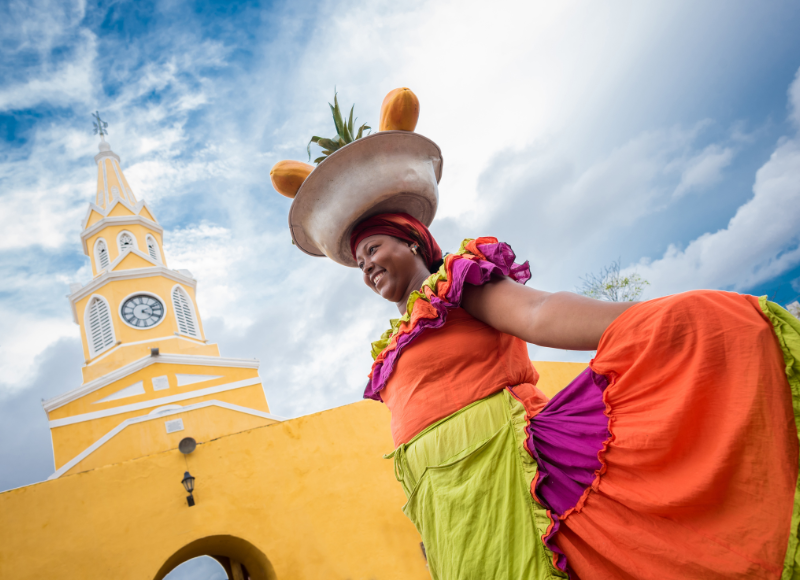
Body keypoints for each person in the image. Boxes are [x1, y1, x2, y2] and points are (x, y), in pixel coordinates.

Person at [282, 127, 800, 579]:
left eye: (373, 249)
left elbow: (539, 312)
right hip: (447, 511)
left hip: (508, 476)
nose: (367, 266)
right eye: (359, 261)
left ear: (414, 241)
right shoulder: (394, 345)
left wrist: (645, 320)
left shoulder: (457, 286)